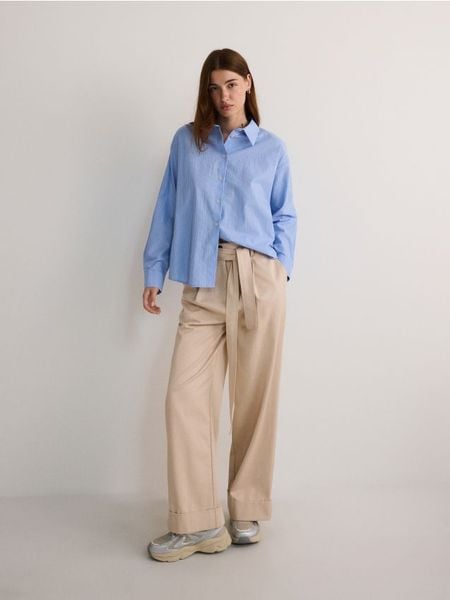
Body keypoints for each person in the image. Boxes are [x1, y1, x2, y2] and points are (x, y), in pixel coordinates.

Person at [142, 48, 297, 562]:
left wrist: (279, 270)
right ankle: (197, 523)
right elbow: (167, 206)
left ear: (248, 83)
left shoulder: (272, 149)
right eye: (214, 87)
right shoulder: (187, 142)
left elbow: (285, 215)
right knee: (183, 398)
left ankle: (246, 507)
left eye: (231, 84)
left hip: (257, 278)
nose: (223, 96)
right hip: (201, 280)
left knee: (253, 400)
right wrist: (153, 270)